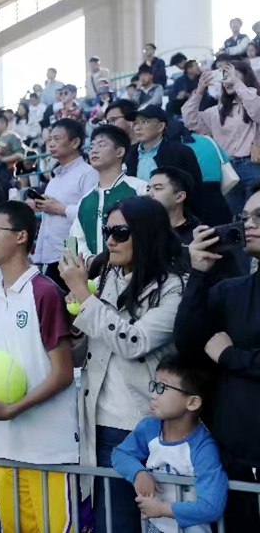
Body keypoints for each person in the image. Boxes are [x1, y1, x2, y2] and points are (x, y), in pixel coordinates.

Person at [59, 196, 188, 533]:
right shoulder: (107, 276)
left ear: (146, 233)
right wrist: (75, 326)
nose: (110, 241)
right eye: (107, 232)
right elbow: (84, 352)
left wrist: (84, 296)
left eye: (120, 232)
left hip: (149, 425)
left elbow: (134, 342)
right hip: (99, 422)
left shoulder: (174, 286)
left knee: (159, 525)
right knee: (112, 524)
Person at [0, 201, 76, 533]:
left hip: (51, 450)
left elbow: (63, 373)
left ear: (21, 236)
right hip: (4, 448)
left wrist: (12, 409)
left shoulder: (45, 292)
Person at [173, 184, 260, 531]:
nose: (249, 224)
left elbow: (222, 353)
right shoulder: (231, 290)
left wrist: (230, 356)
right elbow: (188, 341)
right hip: (234, 455)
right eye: (246, 216)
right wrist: (198, 272)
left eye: (259, 217)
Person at [112, 356, 228, 533]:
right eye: (154, 385)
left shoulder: (204, 448)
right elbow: (120, 454)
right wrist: (138, 473)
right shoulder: (149, 428)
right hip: (155, 527)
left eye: (162, 388)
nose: (153, 394)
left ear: (192, 402)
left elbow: (211, 505)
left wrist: (163, 509)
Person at [182, 61, 260, 216]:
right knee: (234, 217)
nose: (227, 81)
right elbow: (190, 119)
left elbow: (257, 111)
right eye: (224, 77)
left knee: (256, 214)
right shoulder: (216, 111)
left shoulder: (253, 100)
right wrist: (200, 90)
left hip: (253, 165)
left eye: (232, 75)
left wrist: (237, 83)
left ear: (245, 77)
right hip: (228, 169)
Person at [31, 119, 99, 289]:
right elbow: (46, 221)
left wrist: (62, 209)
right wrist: (38, 258)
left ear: (75, 143)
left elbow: (93, 214)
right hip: (52, 258)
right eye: (50, 139)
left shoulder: (88, 173)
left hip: (76, 257)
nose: (51, 144)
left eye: (57, 139)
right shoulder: (54, 180)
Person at [70, 125, 149, 268]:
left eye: (101, 145)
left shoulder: (140, 189)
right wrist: (90, 260)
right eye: (91, 147)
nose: (94, 150)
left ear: (119, 152)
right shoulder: (85, 200)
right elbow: (73, 240)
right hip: (94, 277)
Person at [148, 166, 242, 280]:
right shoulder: (143, 231)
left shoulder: (203, 235)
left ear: (180, 197)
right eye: (148, 189)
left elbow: (230, 280)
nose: (149, 194)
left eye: (158, 188)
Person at [124, 105, 204, 188]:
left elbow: (194, 188)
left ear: (161, 126)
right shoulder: (128, 153)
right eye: (135, 123)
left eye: (144, 122)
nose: (137, 128)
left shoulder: (180, 152)